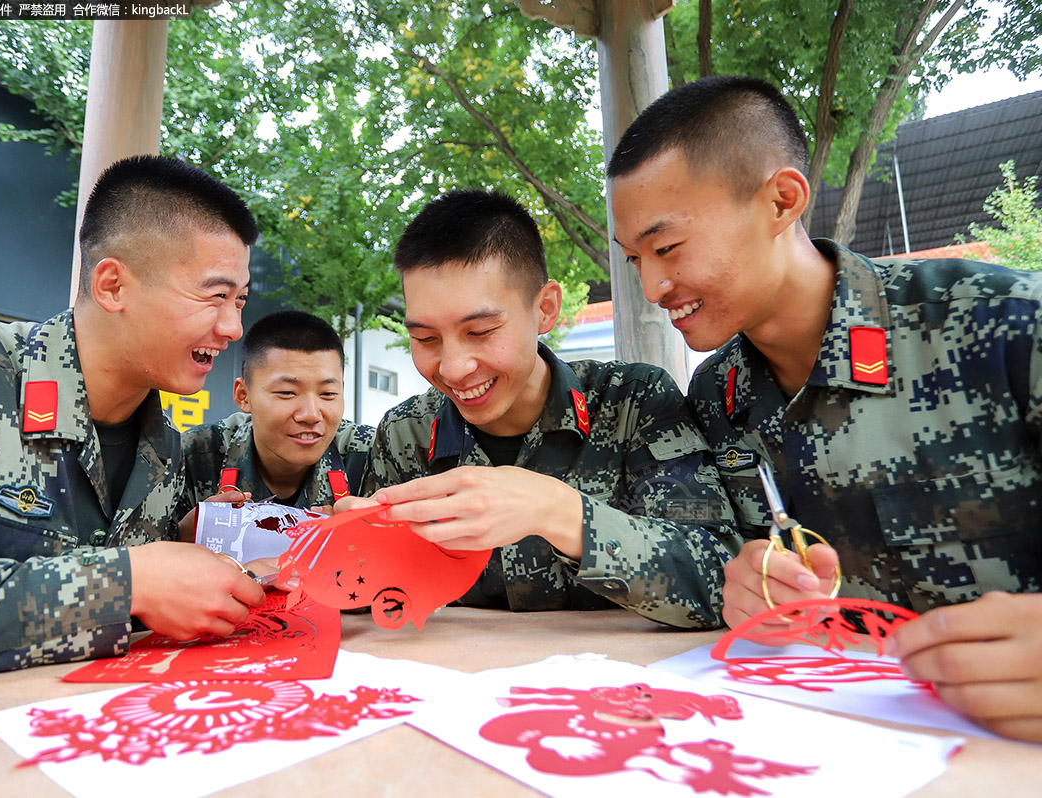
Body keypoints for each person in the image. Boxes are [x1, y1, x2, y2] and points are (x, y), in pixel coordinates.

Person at [607, 74, 1042, 741]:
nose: (653, 286)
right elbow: (725, 566)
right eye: (634, 258)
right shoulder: (717, 398)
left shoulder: (1004, 327)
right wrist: (747, 592)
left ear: (783, 200)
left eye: (666, 249)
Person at [0, 155, 267, 712]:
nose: (233, 328)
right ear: (113, 285)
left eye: (239, 301)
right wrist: (126, 583)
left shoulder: (162, 445)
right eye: (214, 296)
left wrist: (186, 553)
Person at [351, 189, 739, 628]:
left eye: (480, 331)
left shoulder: (633, 401)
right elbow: (369, 595)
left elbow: (723, 579)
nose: (454, 368)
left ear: (545, 309)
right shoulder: (407, 434)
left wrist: (559, 512)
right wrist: (345, 549)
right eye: (425, 339)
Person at [176, 309, 373, 538]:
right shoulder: (195, 454)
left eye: (328, 394)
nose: (311, 414)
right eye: (287, 392)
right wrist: (186, 535)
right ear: (244, 395)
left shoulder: (369, 455)